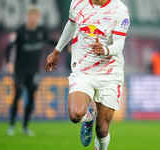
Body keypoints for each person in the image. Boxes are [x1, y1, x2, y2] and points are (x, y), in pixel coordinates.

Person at [45, 0, 130, 149]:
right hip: (83, 69)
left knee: (102, 129)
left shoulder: (119, 10)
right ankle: (88, 117)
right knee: (75, 115)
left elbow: (119, 44)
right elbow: (71, 24)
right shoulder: (77, 3)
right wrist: (57, 50)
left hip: (109, 72)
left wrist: (105, 50)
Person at [5, 6, 53, 136]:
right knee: (18, 94)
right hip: (19, 70)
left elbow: (52, 42)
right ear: (27, 17)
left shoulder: (42, 31)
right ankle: (11, 125)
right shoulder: (20, 31)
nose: (33, 19)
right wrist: (9, 62)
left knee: (31, 98)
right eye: (31, 16)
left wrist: (66, 47)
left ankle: (25, 126)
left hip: (34, 71)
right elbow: (9, 47)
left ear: (38, 18)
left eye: (35, 17)